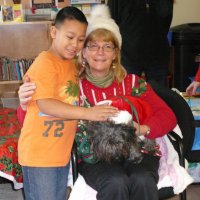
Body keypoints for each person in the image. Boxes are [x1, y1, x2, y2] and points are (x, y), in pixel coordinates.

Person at [17, 5, 177, 200]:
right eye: (93, 45)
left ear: (115, 54)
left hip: (138, 150)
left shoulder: (134, 83)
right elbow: (34, 117)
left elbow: (168, 117)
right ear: (83, 53)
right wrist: (25, 103)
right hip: (96, 156)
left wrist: (142, 129)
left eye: (108, 46)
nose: (100, 51)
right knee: (115, 183)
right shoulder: (74, 84)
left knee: (142, 179)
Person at [17, 6, 118, 200]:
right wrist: (88, 113)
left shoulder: (72, 64)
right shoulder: (45, 62)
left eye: (81, 40)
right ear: (53, 32)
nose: (75, 44)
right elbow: (45, 104)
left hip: (59, 153)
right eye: (70, 37)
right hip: (39, 154)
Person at [107, 0, 174, 86]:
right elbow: (112, 21)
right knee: (129, 94)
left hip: (157, 54)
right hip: (128, 55)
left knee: (158, 95)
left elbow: (166, 18)